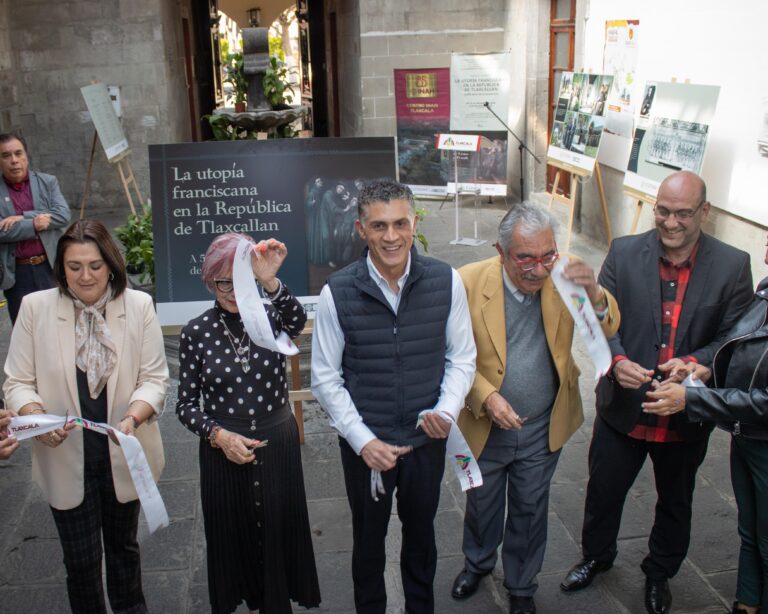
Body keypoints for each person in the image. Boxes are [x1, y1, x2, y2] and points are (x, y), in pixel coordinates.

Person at [560, 171, 754, 614]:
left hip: (684, 409)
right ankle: (597, 556)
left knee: (676, 499)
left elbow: (731, 338)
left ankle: (659, 573)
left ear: (704, 212)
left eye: (683, 213)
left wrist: (696, 365)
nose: (670, 222)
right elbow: (596, 317)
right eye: (663, 211)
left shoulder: (732, 264)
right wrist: (616, 360)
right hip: (623, 404)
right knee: (604, 490)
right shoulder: (625, 251)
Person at [311, 179, 476, 614]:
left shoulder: (446, 281)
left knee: (422, 540)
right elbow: (326, 379)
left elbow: (462, 357)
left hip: (425, 442)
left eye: (400, 223)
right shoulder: (337, 293)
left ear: (414, 223)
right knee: (368, 545)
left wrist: (446, 409)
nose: (391, 236)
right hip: (368, 446)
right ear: (360, 229)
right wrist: (363, 441)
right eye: (379, 225)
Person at [450, 202, 620, 614]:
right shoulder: (466, 283)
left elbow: (606, 326)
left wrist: (594, 293)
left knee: (530, 507)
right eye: (525, 257)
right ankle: (478, 562)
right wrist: (486, 395)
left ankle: (522, 586)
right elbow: (450, 355)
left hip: (543, 424)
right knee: (482, 503)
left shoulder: (564, 275)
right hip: (484, 424)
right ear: (501, 251)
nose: (539, 269)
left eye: (547, 255)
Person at [3, 219, 168, 614]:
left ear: (111, 264)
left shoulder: (138, 305)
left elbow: (155, 378)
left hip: (122, 451)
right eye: (74, 266)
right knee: (79, 563)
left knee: (125, 553)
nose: (85, 275)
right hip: (63, 455)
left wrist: (133, 416)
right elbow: (17, 382)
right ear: (61, 268)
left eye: (94, 265)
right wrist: (35, 417)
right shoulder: (35, 308)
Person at [176, 233, 320, 614]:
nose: (232, 290)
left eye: (239, 279)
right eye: (223, 282)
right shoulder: (196, 331)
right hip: (224, 447)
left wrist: (270, 281)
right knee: (233, 533)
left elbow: (297, 320)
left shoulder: (270, 316)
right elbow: (186, 405)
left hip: (277, 440)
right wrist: (218, 436)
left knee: (277, 527)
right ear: (209, 281)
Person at [643, 234, 768, 614]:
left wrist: (693, 397)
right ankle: (746, 602)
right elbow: (739, 348)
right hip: (746, 435)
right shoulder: (765, 291)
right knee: (750, 531)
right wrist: (703, 368)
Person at [0, 132, 71, 323]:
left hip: (50, 266)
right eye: (6, 156)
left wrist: (22, 217)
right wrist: (34, 223)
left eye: (18, 153)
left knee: (59, 324)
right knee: (26, 331)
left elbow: (62, 215)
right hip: (17, 273)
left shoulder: (47, 182)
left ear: (26, 156)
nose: (14, 160)